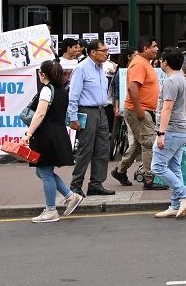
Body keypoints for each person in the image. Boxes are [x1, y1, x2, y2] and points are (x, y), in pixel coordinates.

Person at [21, 59, 83, 223]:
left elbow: (39, 114)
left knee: (45, 172)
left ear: (43, 74)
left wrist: (28, 134)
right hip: (56, 133)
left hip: (46, 135)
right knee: (41, 171)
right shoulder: (61, 90)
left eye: (40, 72)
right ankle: (71, 196)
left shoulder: (47, 90)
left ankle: (51, 210)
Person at [114, 37, 165, 190]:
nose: (156, 49)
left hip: (142, 109)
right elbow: (132, 88)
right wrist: (139, 110)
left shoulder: (143, 63)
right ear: (145, 48)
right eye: (154, 46)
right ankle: (149, 179)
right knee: (149, 144)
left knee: (137, 145)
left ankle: (120, 171)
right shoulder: (138, 63)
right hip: (139, 110)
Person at [151, 48, 186, 216]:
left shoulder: (171, 81)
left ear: (165, 62)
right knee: (174, 167)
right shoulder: (181, 79)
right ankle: (176, 206)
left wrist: (161, 133)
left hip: (171, 130)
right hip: (181, 129)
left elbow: (167, 108)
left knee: (157, 166)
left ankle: (184, 194)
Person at [69, 40, 118, 195]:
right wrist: (73, 117)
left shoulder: (101, 68)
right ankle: (75, 186)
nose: (106, 53)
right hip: (86, 111)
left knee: (103, 149)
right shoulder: (81, 68)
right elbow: (73, 95)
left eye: (106, 50)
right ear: (93, 52)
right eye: (103, 50)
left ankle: (96, 184)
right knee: (85, 149)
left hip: (101, 110)